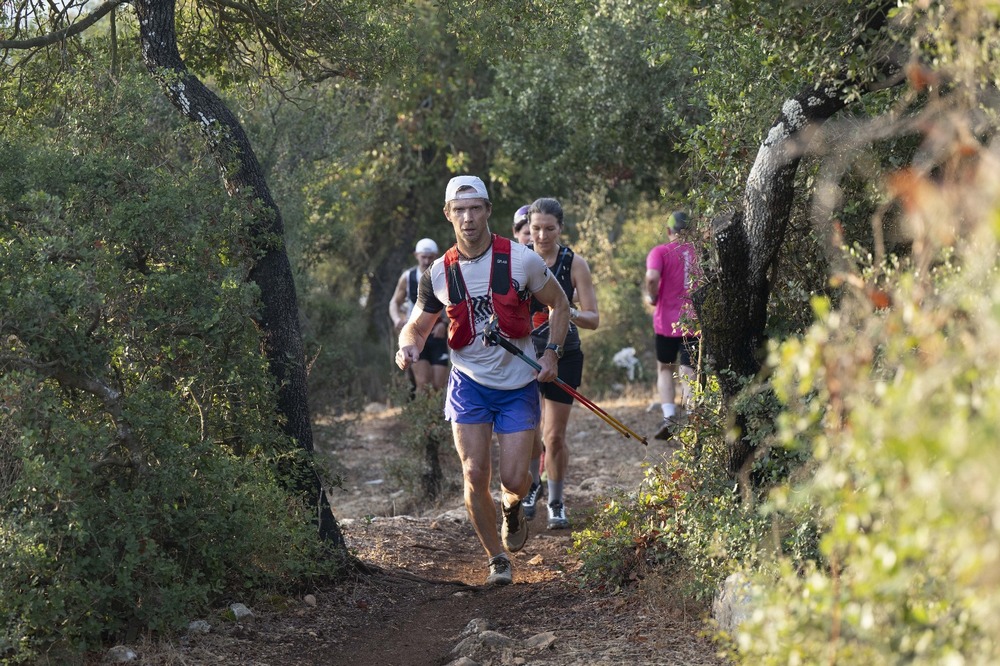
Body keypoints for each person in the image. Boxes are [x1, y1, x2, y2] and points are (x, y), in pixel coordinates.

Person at [396, 175, 570, 586]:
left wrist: (551, 353)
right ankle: (497, 559)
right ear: (448, 214)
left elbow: (560, 304)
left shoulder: (523, 260)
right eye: (460, 210)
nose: (468, 218)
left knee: (514, 479)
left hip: (517, 385)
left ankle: (512, 504)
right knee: (474, 473)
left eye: (476, 208)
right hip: (468, 384)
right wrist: (407, 347)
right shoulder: (439, 273)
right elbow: (416, 327)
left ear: (488, 210)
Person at [524, 197, 599, 530]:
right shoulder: (519, 260)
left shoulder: (574, 264)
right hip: (524, 354)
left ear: (560, 228)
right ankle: (530, 487)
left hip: (564, 354)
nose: (542, 236)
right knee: (528, 431)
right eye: (536, 229)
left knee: (553, 437)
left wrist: (566, 311)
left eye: (549, 229)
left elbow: (594, 318)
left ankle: (556, 502)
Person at [645, 211, 700, 441]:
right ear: (691, 230)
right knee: (689, 370)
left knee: (665, 368)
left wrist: (652, 297)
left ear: (669, 230)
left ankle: (669, 417)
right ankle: (693, 418)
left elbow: (651, 277)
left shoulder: (660, 251)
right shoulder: (699, 252)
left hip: (666, 322)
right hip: (694, 322)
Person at [512, 203, 547, 516]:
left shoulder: (545, 264)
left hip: (546, 348)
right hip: (519, 351)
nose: (531, 237)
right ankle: (532, 480)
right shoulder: (508, 264)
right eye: (525, 232)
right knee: (530, 424)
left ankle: (538, 480)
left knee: (542, 425)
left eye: (533, 231)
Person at [389, 238, 449, 391]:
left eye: (430, 257)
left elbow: (455, 304)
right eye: (423, 257)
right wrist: (397, 319)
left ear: (436, 255)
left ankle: (433, 408)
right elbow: (394, 302)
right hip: (415, 333)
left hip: (437, 335)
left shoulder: (444, 275)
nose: (427, 261)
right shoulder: (408, 277)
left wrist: (445, 323)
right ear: (416, 255)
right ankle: (418, 405)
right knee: (423, 382)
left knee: (438, 386)